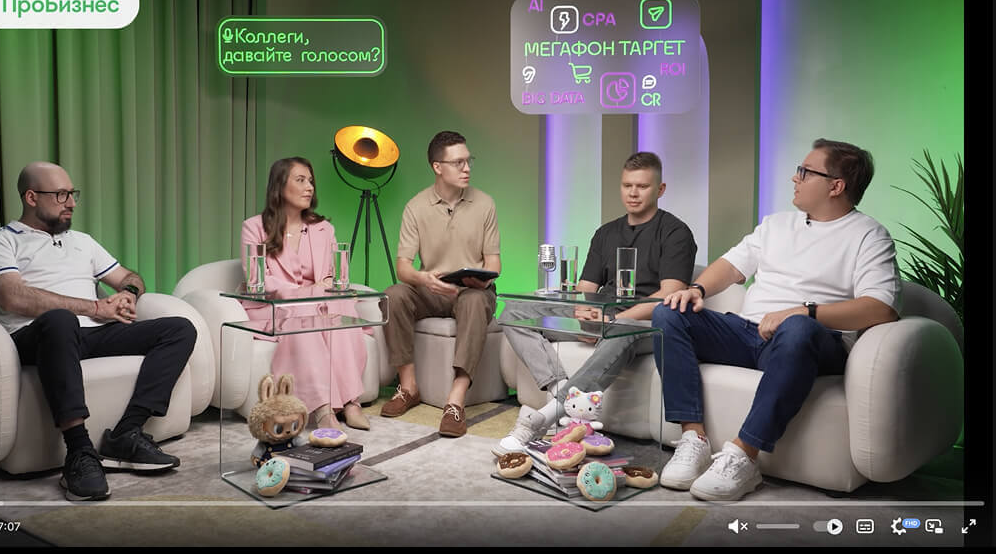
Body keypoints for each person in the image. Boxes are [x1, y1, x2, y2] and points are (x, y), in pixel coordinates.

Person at [653, 138, 901, 501]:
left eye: (805, 171)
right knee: (669, 311)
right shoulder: (776, 225)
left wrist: (806, 311)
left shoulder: (869, 235)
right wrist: (697, 289)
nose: (794, 178)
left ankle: (744, 456)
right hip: (749, 333)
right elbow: (731, 265)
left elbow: (881, 307)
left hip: (812, 339)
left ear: (836, 186)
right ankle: (694, 438)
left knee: (797, 327)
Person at [0, 161, 198, 502]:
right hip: (36, 336)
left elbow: (129, 276)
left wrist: (128, 294)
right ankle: (79, 452)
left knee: (179, 329)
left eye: (72, 194)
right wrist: (95, 308)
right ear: (32, 197)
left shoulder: (82, 242)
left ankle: (126, 433)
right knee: (60, 319)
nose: (71, 203)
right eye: (61, 195)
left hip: (91, 335)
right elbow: (12, 296)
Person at [493, 151, 697, 455]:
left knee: (624, 326)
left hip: (642, 323)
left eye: (642, 186)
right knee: (514, 311)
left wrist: (612, 320)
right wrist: (582, 311)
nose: (633, 193)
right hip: (601, 316)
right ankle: (558, 387)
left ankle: (544, 417)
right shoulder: (606, 233)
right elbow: (586, 288)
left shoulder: (676, 233)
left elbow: (668, 297)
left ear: (660, 189)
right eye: (627, 185)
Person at [380, 131, 502, 437]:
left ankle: (456, 399)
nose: (467, 168)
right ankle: (408, 387)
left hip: (473, 292)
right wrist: (424, 279)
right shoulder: (416, 207)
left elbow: (494, 264)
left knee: (474, 299)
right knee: (393, 295)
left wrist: (482, 279)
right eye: (458, 162)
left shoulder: (485, 203)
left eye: (468, 161)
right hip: (432, 290)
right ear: (437, 167)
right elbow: (403, 267)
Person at [241, 157, 371, 431]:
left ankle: (351, 402)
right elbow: (256, 277)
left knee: (342, 306)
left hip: (319, 302)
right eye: (300, 180)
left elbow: (336, 274)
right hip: (276, 306)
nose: (309, 187)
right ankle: (323, 409)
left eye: (310, 181)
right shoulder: (254, 227)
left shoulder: (324, 228)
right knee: (304, 308)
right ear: (280, 186)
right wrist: (303, 291)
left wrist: (324, 288)